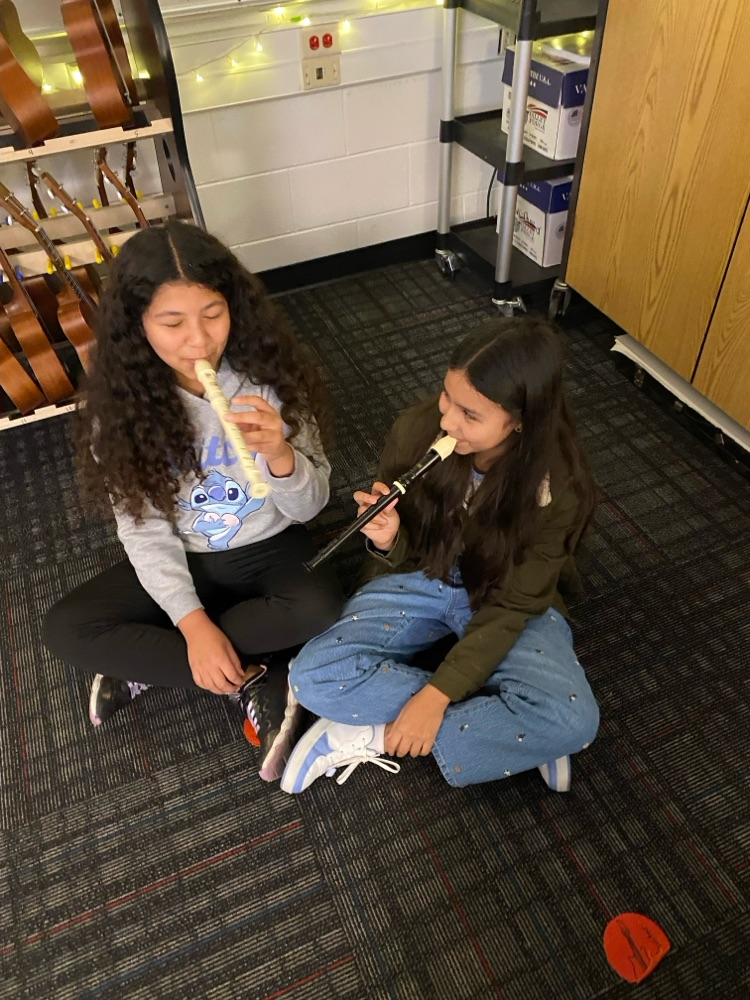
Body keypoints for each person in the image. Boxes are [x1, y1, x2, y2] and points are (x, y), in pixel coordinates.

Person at [43, 221, 342, 781]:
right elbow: (144, 530)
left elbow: (310, 507)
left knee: (321, 608)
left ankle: (151, 660)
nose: (199, 341)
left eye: (213, 315)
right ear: (138, 325)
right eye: (172, 323)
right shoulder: (123, 408)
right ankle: (252, 673)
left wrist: (280, 455)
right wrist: (193, 623)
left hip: (270, 545)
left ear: (235, 307)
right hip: (188, 556)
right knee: (66, 628)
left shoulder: (270, 380)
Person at [280, 317, 600, 795]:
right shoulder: (417, 428)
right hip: (421, 574)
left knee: (575, 721)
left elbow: (513, 605)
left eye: (471, 415)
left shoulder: (558, 486)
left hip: (503, 593)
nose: (447, 420)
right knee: (311, 676)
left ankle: (370, 733)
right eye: (448, 396)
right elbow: (408, 544)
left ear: (520, 420)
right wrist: (389, 538)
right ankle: (509, 733)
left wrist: (435, 696)